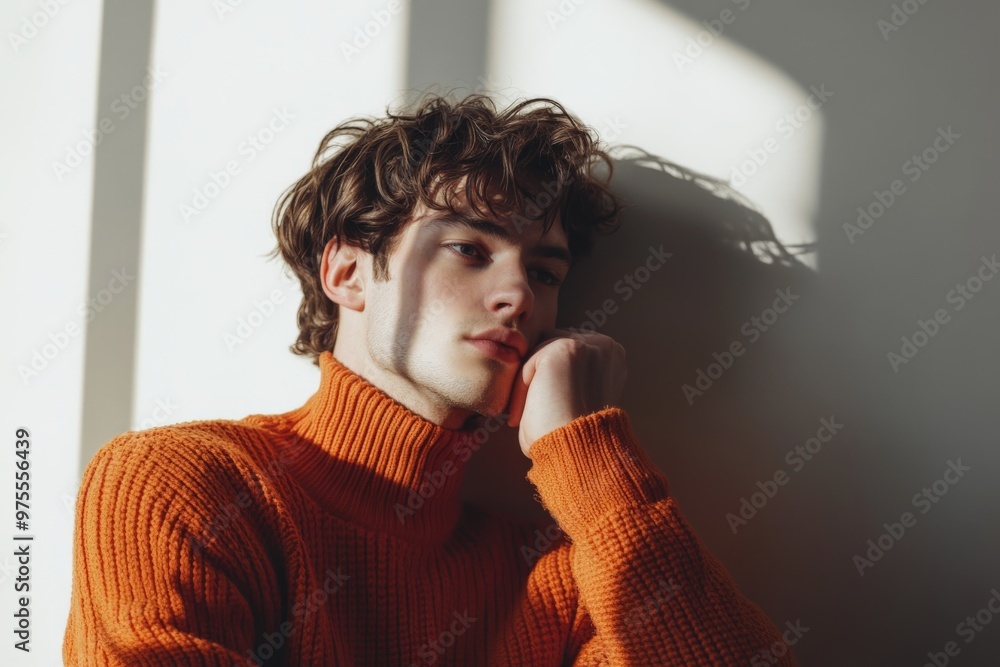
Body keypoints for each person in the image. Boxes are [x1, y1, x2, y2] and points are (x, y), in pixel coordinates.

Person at [63, 92, 798, 666]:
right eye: (468, 248)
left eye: (544, 271)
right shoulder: (181, 482)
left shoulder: (560, 572)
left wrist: (589, 451)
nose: (519, 295)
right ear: (346, 272)